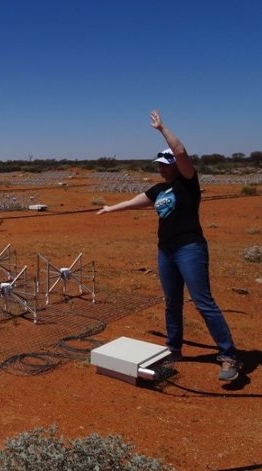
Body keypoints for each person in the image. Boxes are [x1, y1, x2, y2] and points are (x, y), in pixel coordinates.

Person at [97, 110, 239, 382]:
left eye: (166, 163)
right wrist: (109, 208)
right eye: (159, 164)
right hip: (166, 251)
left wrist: (162, 129)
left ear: (175, 165)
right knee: (172, 301)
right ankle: (174, 348)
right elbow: (134, 202)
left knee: (202, 301)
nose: (162, 167)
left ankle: (229, 354)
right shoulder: (158, 190)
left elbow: (182, 151)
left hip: (190, 248)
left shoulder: (188, 182)